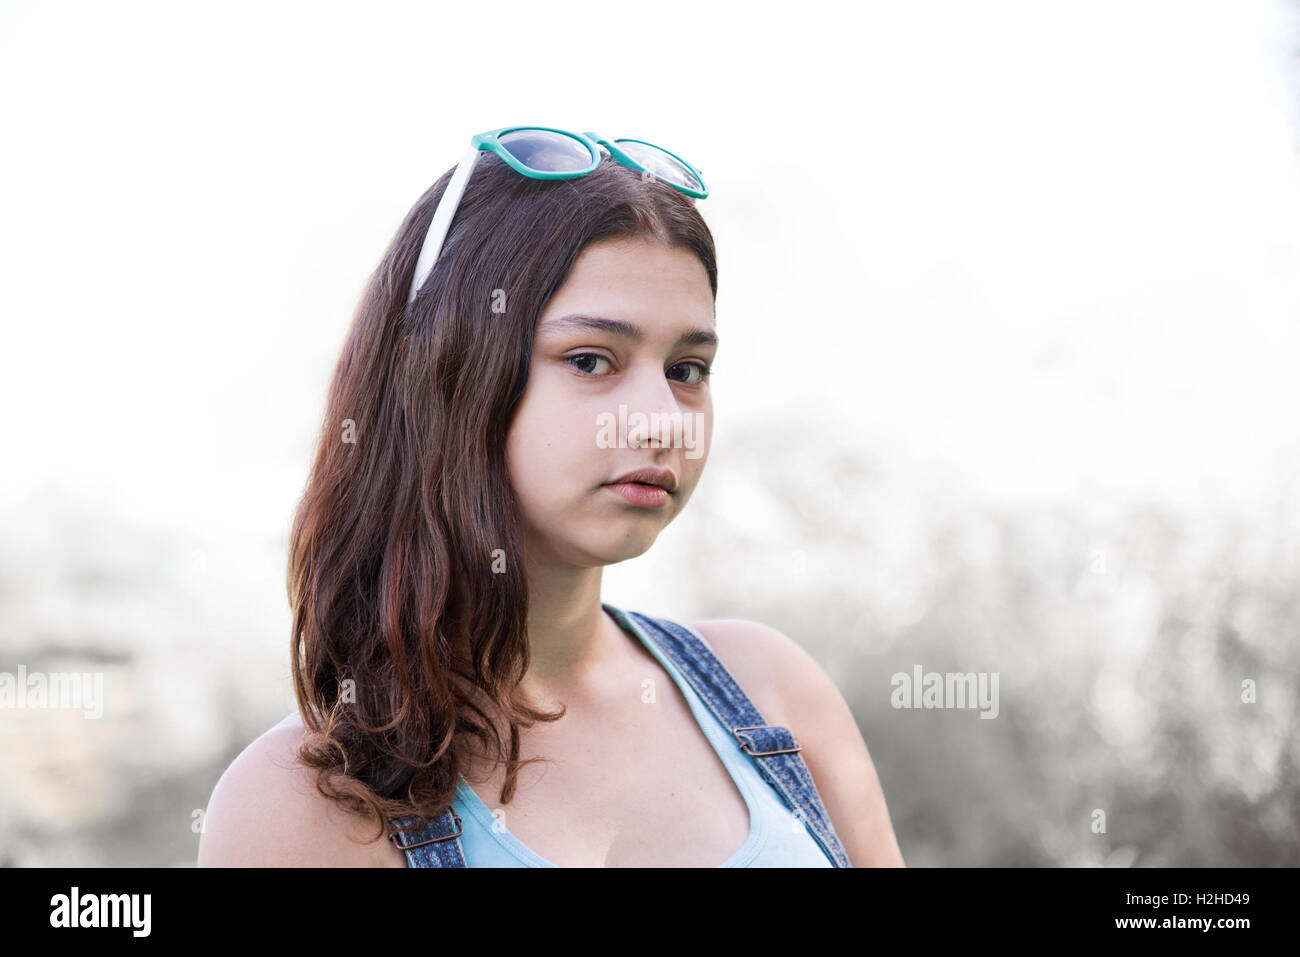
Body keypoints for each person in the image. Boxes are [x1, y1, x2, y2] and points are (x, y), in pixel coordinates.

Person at [197, 127, 904, 868]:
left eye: (687, 368)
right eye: (592, 359)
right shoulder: (302, 805)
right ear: (446, 374)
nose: (660, 418)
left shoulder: (770, 693)